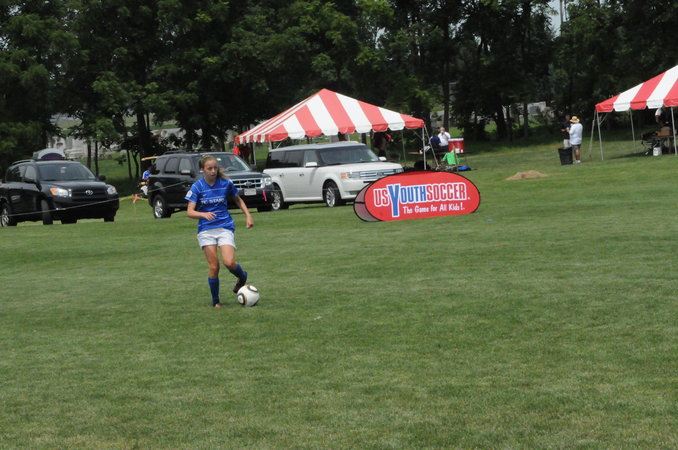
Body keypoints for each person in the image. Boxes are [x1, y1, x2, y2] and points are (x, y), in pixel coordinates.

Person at [185, 155, 254, 307]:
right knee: (214, 266)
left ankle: (242, 276)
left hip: (225, 227)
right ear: (202, 169)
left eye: (215, 168)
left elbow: (238, 200)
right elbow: (189, 212)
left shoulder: (225, 183)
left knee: (229, 262)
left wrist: (248, 215)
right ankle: (216, 301)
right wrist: (203, 214)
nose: (213, 171)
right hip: (206, 230)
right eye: (209, 168)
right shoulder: (197, 187)